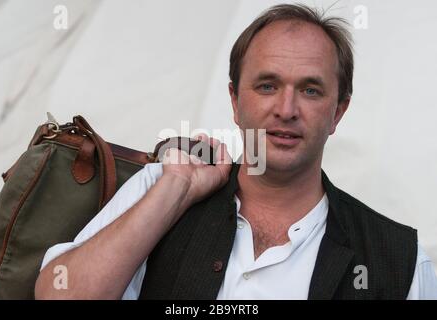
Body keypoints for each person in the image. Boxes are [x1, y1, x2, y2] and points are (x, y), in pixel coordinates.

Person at [35, 4, 437, 299]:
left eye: (311, 90)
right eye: (267, 85)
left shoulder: (400, 259)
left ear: (338, 112)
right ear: (235, 100)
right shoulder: (161, 188)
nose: (286, 109)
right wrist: (173, 188)